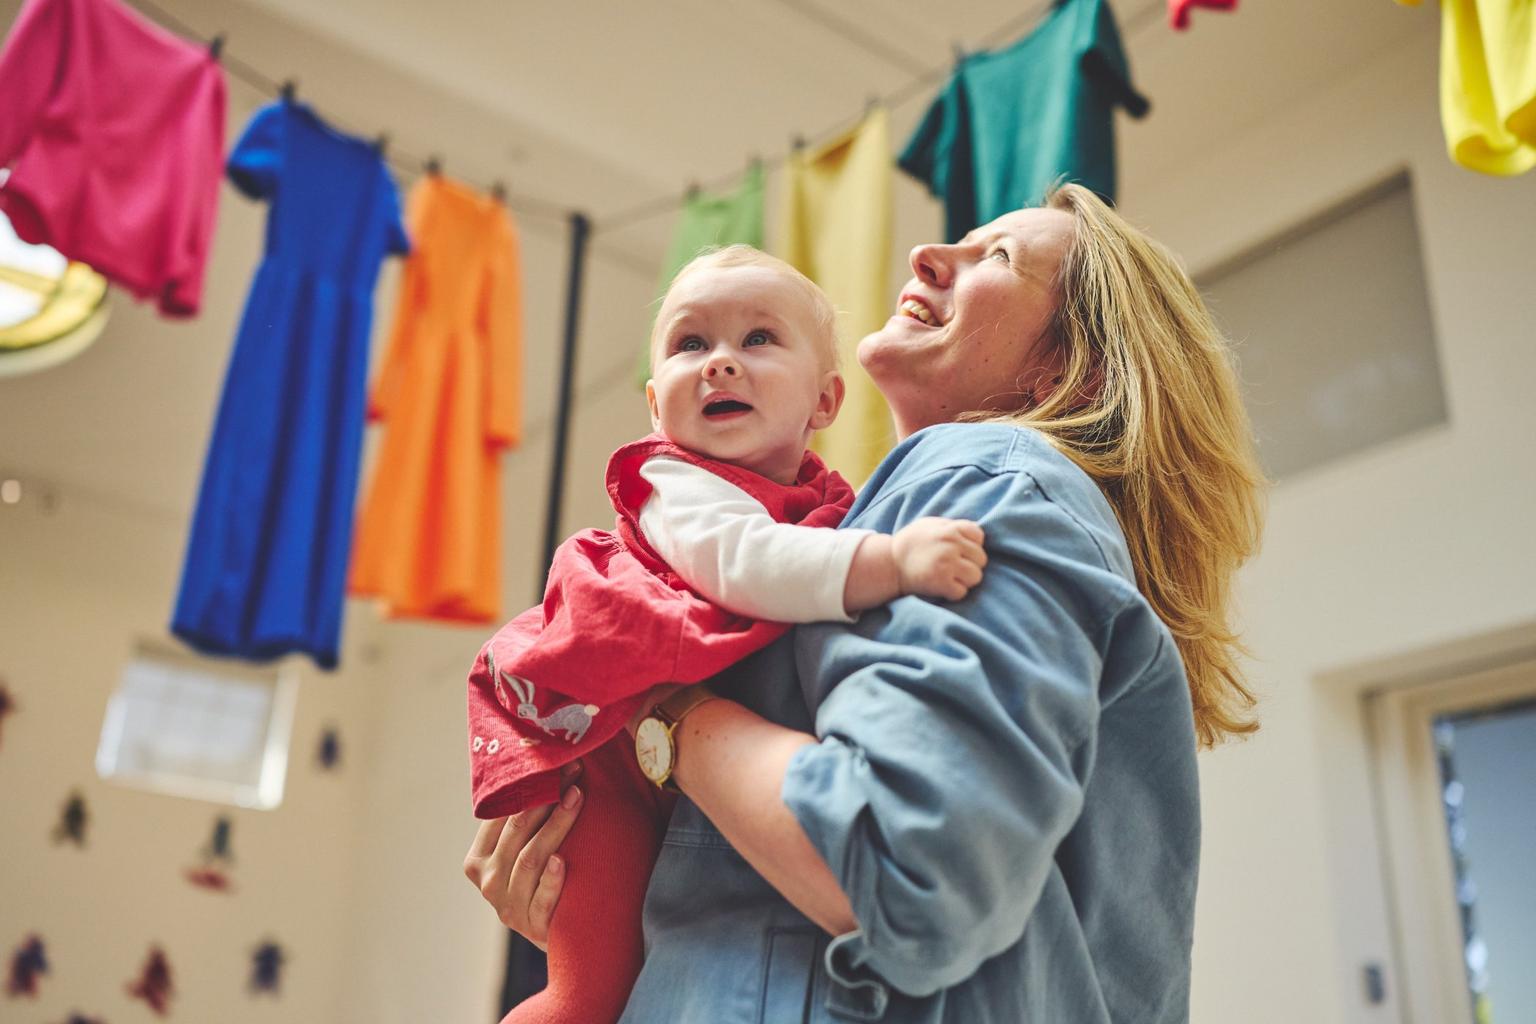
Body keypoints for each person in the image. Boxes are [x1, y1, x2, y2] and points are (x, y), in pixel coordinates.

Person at [464, 184, 1266, 1023]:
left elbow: (903, 868)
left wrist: (656, 708)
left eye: (996, 256)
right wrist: (584, 896)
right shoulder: (873, 523)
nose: (928, 255)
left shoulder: (985, 478)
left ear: (1065, 368)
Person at [466, 245, 987, 1024]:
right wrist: (893, 560)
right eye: (690, 344)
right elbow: (748, 563)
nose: (719, 364)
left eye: (757, 340)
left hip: (671, 766)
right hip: (601, 761)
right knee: (588, 991)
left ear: (825, 401)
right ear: (654, 405)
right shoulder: (677, 485)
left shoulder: (828, 505)